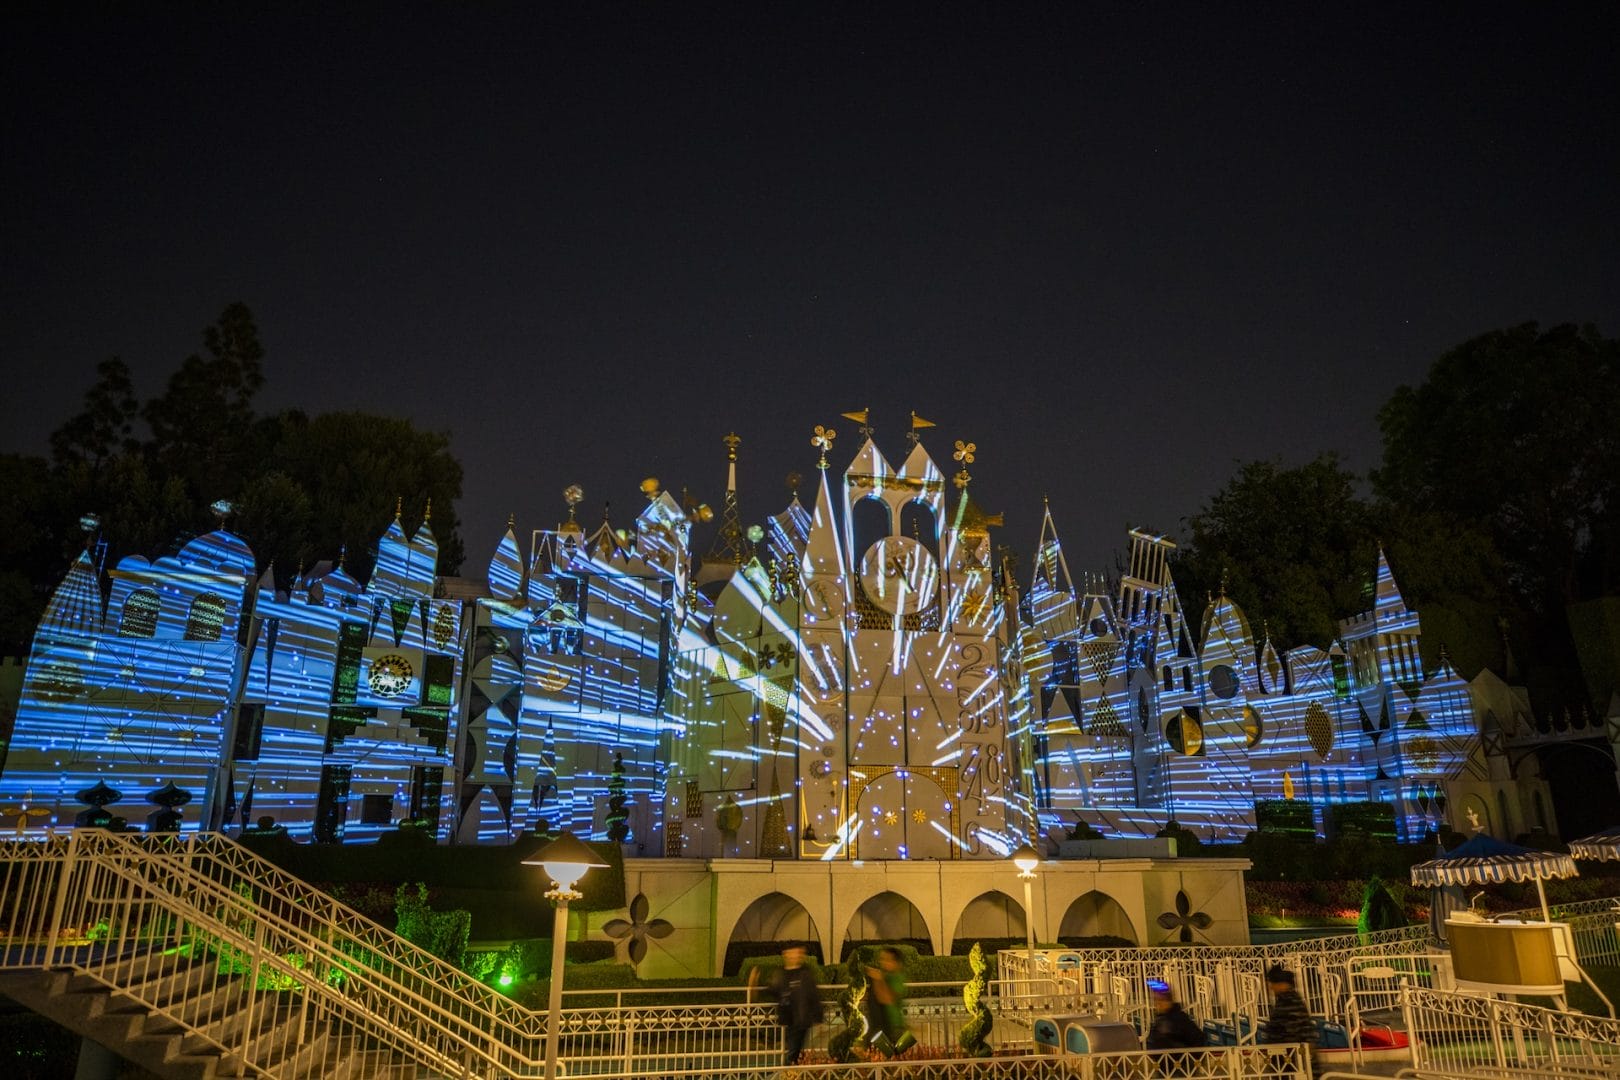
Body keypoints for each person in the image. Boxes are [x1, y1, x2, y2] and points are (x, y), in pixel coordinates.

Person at [767, 945, 824, 1065]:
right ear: (786, 954)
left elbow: (813, 994)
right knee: (794, 1051)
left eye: (797, 953)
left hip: (800, 1018)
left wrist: (818, 1017)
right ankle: (791, 1072)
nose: (794, 956)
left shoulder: (805, 973)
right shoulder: (782, 972)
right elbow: (774, 991)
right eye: (792, 953)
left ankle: (789, 1073)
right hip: (788, 1017)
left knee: (793, 1052)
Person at [1144, 979, 1206, 1077]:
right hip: (1163, 1069)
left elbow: (1198, 1039)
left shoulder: (1179, 1019)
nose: (1157, 1004)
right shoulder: (1160, 1019)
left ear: (1168, 1000)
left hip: (1179, 1070)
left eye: (1160, 1000)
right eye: (1155, 1000)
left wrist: (1188, 1061)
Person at [1260, 964, 1317, 1068]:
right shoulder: (1285, 999)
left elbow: (1290, 1030)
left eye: (1273, 983)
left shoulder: (1289, 1000)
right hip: (1288, 1058)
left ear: (1282, 984)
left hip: (1292, 1058)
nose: (1271, 987)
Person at [862, 946, 916, 1056]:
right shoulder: (885, 976)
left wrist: (878, 980)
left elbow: (887, 999)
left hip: (892, 1027)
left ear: (897, 963)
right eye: (881, 959)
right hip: (879, 1026)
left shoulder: (897, 978)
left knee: (890, 1062)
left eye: (887, 959)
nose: (883, 963)